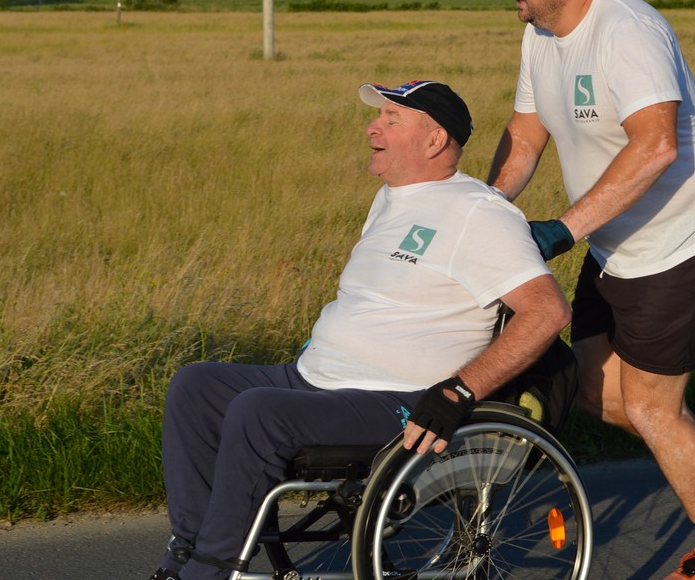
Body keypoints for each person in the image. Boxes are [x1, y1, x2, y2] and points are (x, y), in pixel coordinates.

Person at [471, 0, 695, 580]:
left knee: (649, 405)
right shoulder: (542, 34)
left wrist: (563, 229)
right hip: (615, 239)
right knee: (596, 394)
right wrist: (486, 211)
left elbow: (656, 145)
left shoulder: (627, 29)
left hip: (683, 236)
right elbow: (527, 132)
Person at [148, 79, 571, 580]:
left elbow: (546, 312)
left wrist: (459, 390)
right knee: (196, 386)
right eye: (379, 117)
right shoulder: (393, 198)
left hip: (396, 399)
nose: (373, 127)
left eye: (393, 119)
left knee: (256, 412)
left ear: (435, 141)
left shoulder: (480, 216)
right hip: (320, 377)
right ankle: (191, 547)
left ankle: (211, 568)